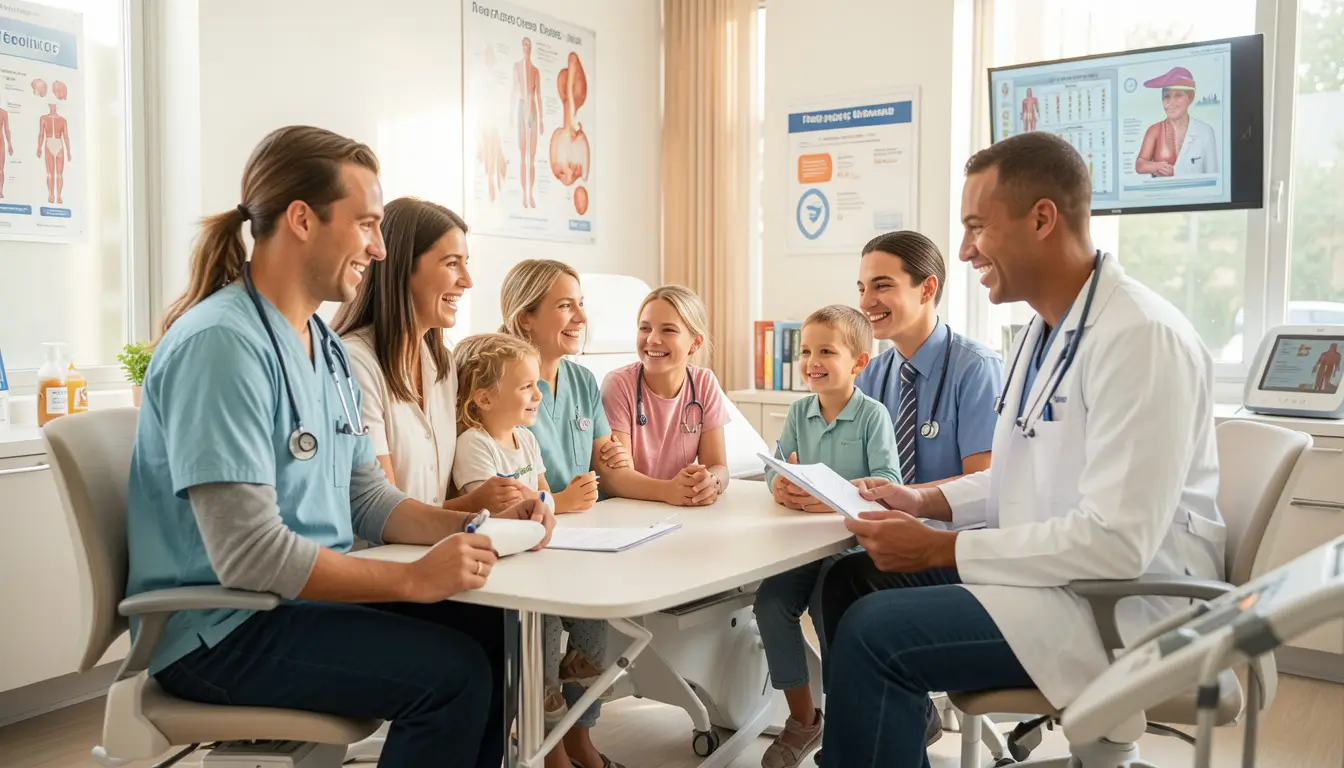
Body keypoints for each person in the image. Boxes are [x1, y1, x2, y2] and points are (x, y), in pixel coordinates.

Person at [125, 125, 555, 768]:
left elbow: (365, 494)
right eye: (367, 224)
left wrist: (472, 523)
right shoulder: (221, 345)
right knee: (453, 673)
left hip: (294, 605)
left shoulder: (320, 348)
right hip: (222, 629)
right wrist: (410, 579)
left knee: (496, 632)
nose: (380, 248)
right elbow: (248, 554)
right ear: (302, 219)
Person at [817, 130, 1225, 768]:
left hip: (1118, 606)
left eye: (977, 226)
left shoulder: (1140, 338)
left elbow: (1116, 544)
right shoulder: (1044, 330)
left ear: (1042, 219)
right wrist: (923, 498)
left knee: (876, 635)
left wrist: (941, 545)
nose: (963, 249)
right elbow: (1017, 475)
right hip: (1049, 574)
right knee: (849, 580)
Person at [499, 258, 640, 768]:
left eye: (581, 303)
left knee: (594, 630)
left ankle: (582, 739)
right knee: (545, 632)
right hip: (532, 544)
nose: (580, 315)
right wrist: (559, 501)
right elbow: (490, 479)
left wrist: (663, 486)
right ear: (525, 319)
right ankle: (552, 748)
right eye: (564, 305)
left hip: (586, 540)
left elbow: (610, 463)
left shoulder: (582, 380)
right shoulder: (499, 381)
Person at [450, 332, 614, 760]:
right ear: (484, 399)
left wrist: (549, 507)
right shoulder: (474, 447)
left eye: (536, 384)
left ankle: (579, 671)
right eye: (525, 386)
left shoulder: (526, 440)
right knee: (545, 623)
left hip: (539, 550)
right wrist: (544, 507)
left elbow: (541, 499)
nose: (537, 393)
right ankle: (541, 708)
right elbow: (492, 518)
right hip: (509, 562)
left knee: (596, 604)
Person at [752, 304, 900, 768]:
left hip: (852, 548)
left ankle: (847, 721)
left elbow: (887, 484)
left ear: (858, 362)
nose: (812, 361)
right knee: (771, 604)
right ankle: (803, 719)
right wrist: (777, 484)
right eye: (807, 351)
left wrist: (832, 497)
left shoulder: (873, 417)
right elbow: (774, 467)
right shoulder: (798, 411)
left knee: (827, 604)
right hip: (802, 545)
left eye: (826, 352)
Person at [335, 196, 529, 516]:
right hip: (380, 558)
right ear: (401, 267)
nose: (467, 280)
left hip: (431, 549)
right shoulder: (355, 364)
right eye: (452, 263)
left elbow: (435, 500)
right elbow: (381, 511)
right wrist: (473, 509)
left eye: (465, 263)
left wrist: (506, 509)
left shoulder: (441, 367)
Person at [855, 230, 1002, 490]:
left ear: (927, 289)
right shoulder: (868, 375)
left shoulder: (978, 370)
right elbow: (850, 468)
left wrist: (897, 497)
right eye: (862, 289)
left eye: (882, 286)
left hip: (949, 529)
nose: (866, 301)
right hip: (875, 524)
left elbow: (982, 484)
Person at [600, 285, 732, 506]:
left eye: (668, 330)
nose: (652, 339)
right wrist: (668, 491)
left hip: (676, 508)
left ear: (695, 343)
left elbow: (718, 466)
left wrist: (711, 482)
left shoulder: (704, 383)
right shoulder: (619, 384)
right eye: (645, 328)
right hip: (627, 508)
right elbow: (616, 478)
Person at [1135, 66, 1219, 177]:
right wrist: (1157, 166)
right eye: (1166, 97)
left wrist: (1176, 173)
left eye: (1178, 95)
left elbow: (1212, 176)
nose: (1171, 103)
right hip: (1160, 193)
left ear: (1190, 97)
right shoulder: (1154, 130)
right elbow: (1140, 164)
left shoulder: (1205, 131)